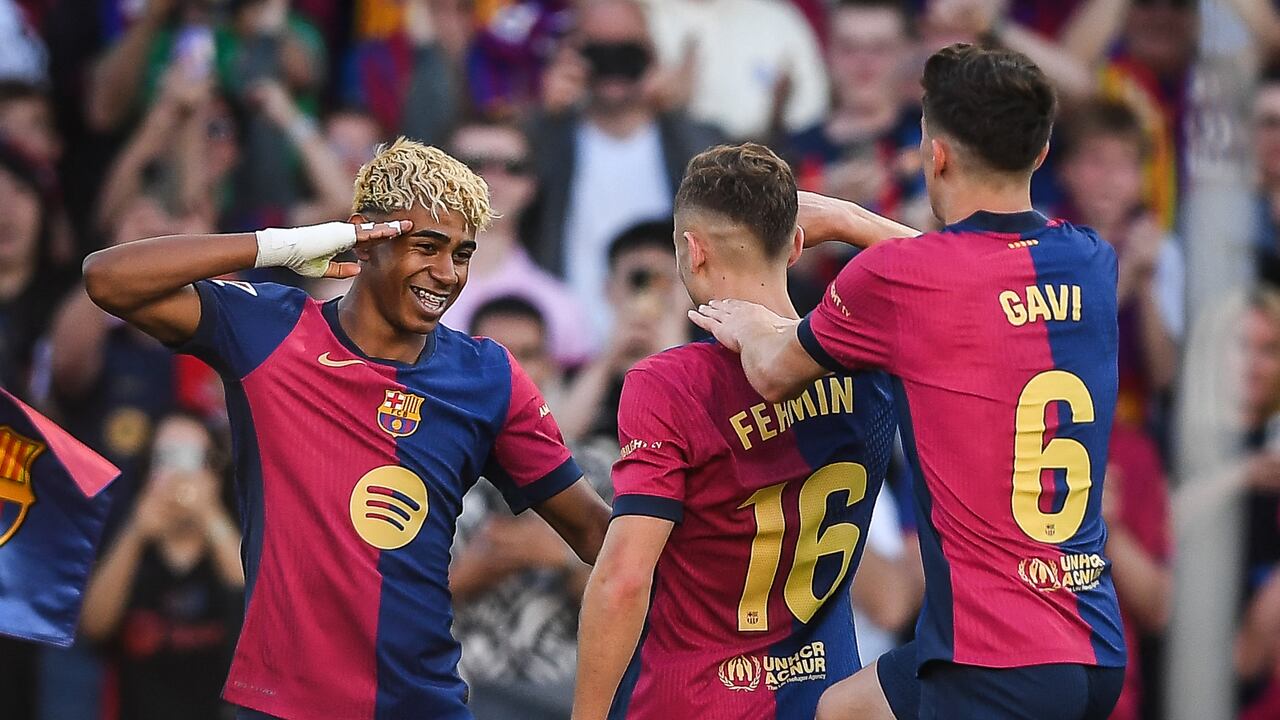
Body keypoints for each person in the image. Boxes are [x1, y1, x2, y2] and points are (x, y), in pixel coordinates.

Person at [82, 136, 611, 719]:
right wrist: (280, 246)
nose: (446, 273)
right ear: (366, 237)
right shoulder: (272, 331)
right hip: (281, 706)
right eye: (426, 246)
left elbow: (592, 531)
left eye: (461, 253)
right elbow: (108, 278)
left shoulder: (487, 376)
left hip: (421, 705)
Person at [690, 44, 1127, 719]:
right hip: (1093, 643)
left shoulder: (899, 281)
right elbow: (974, 273)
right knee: (842, 710)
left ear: (936, 155)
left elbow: (773, 373)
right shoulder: (1090, 259)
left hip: (992, 660)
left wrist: (748, 322)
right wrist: (852, 220)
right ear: (1040, 155)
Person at [572, 143, 899, 719]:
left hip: (695, 701)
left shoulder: (669, 382)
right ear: (797, 244)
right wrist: (854, 220)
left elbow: (623, 580)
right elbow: (973, 282)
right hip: (825, 696)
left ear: (692, 252)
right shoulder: (867, 360)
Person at [529, 0, 721, 340]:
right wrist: (545, 115)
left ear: (652, 53)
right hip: (569, 349)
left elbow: (732, 185)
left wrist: (674, 111)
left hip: (674, 345)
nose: (613, 65)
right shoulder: (546, 138)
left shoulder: (690, 141)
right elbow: (498, 189)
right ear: (572, 53)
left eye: (627, 50)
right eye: (598, 51)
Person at [80, 412, 244, 720]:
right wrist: (136, 532)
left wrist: (210, 517)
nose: (180, 474)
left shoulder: (231, 540)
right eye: (167, 458)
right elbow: (93, 626)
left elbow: (259, 609)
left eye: (193, 458)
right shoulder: (131, 548)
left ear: (215, 470)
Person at [442, 119, 594, 368]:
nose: (490, 179)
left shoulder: (560, 305)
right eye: (471, 165)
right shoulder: (399, 288)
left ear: (532, 184)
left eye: (512, 167)